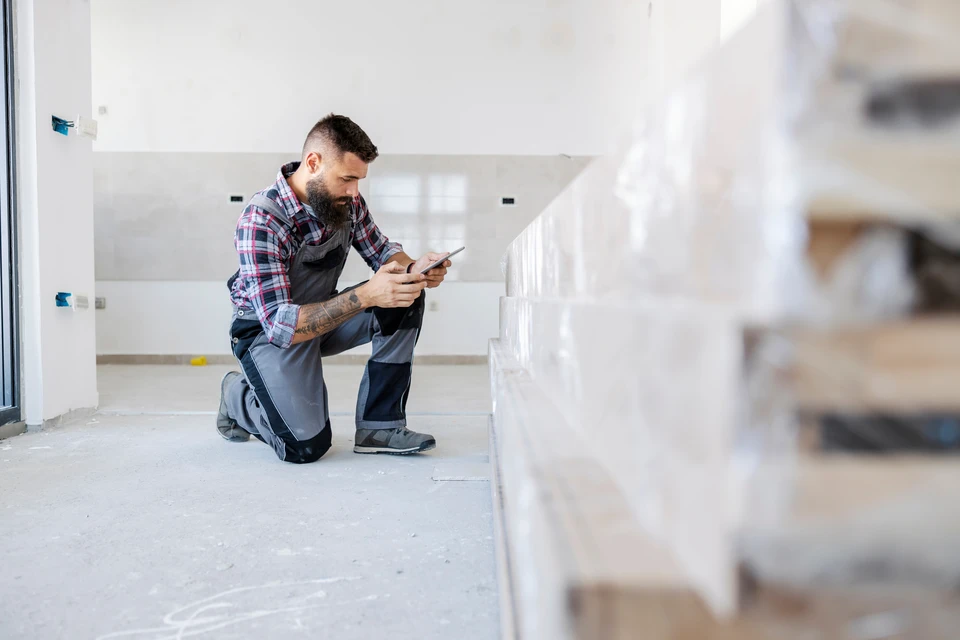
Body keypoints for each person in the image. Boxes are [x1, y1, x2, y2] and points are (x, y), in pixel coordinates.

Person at [217, 114, 453, 464]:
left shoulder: (346, 203)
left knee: (405, 295)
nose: (354, 191)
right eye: (347, 179)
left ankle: (380, 427)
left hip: (322, 317)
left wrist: (412, 269)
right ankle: (236, 395)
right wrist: (366, 296)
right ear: (313, 162)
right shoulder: (263, 220)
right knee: (304, 447)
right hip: (266, 334)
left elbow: (381, 250)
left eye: (358, 180)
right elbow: (281, 325)